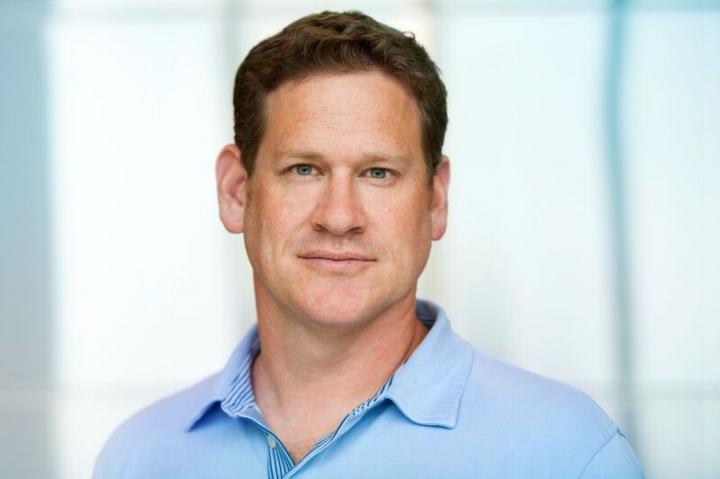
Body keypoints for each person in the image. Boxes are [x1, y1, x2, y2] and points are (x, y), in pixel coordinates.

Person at [93, 10, 644, 479]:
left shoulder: (569, 455)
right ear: (237, 191)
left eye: (378, 173)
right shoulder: (139, 459)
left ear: (435, 199)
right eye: (304, 169)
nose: (339, 217)